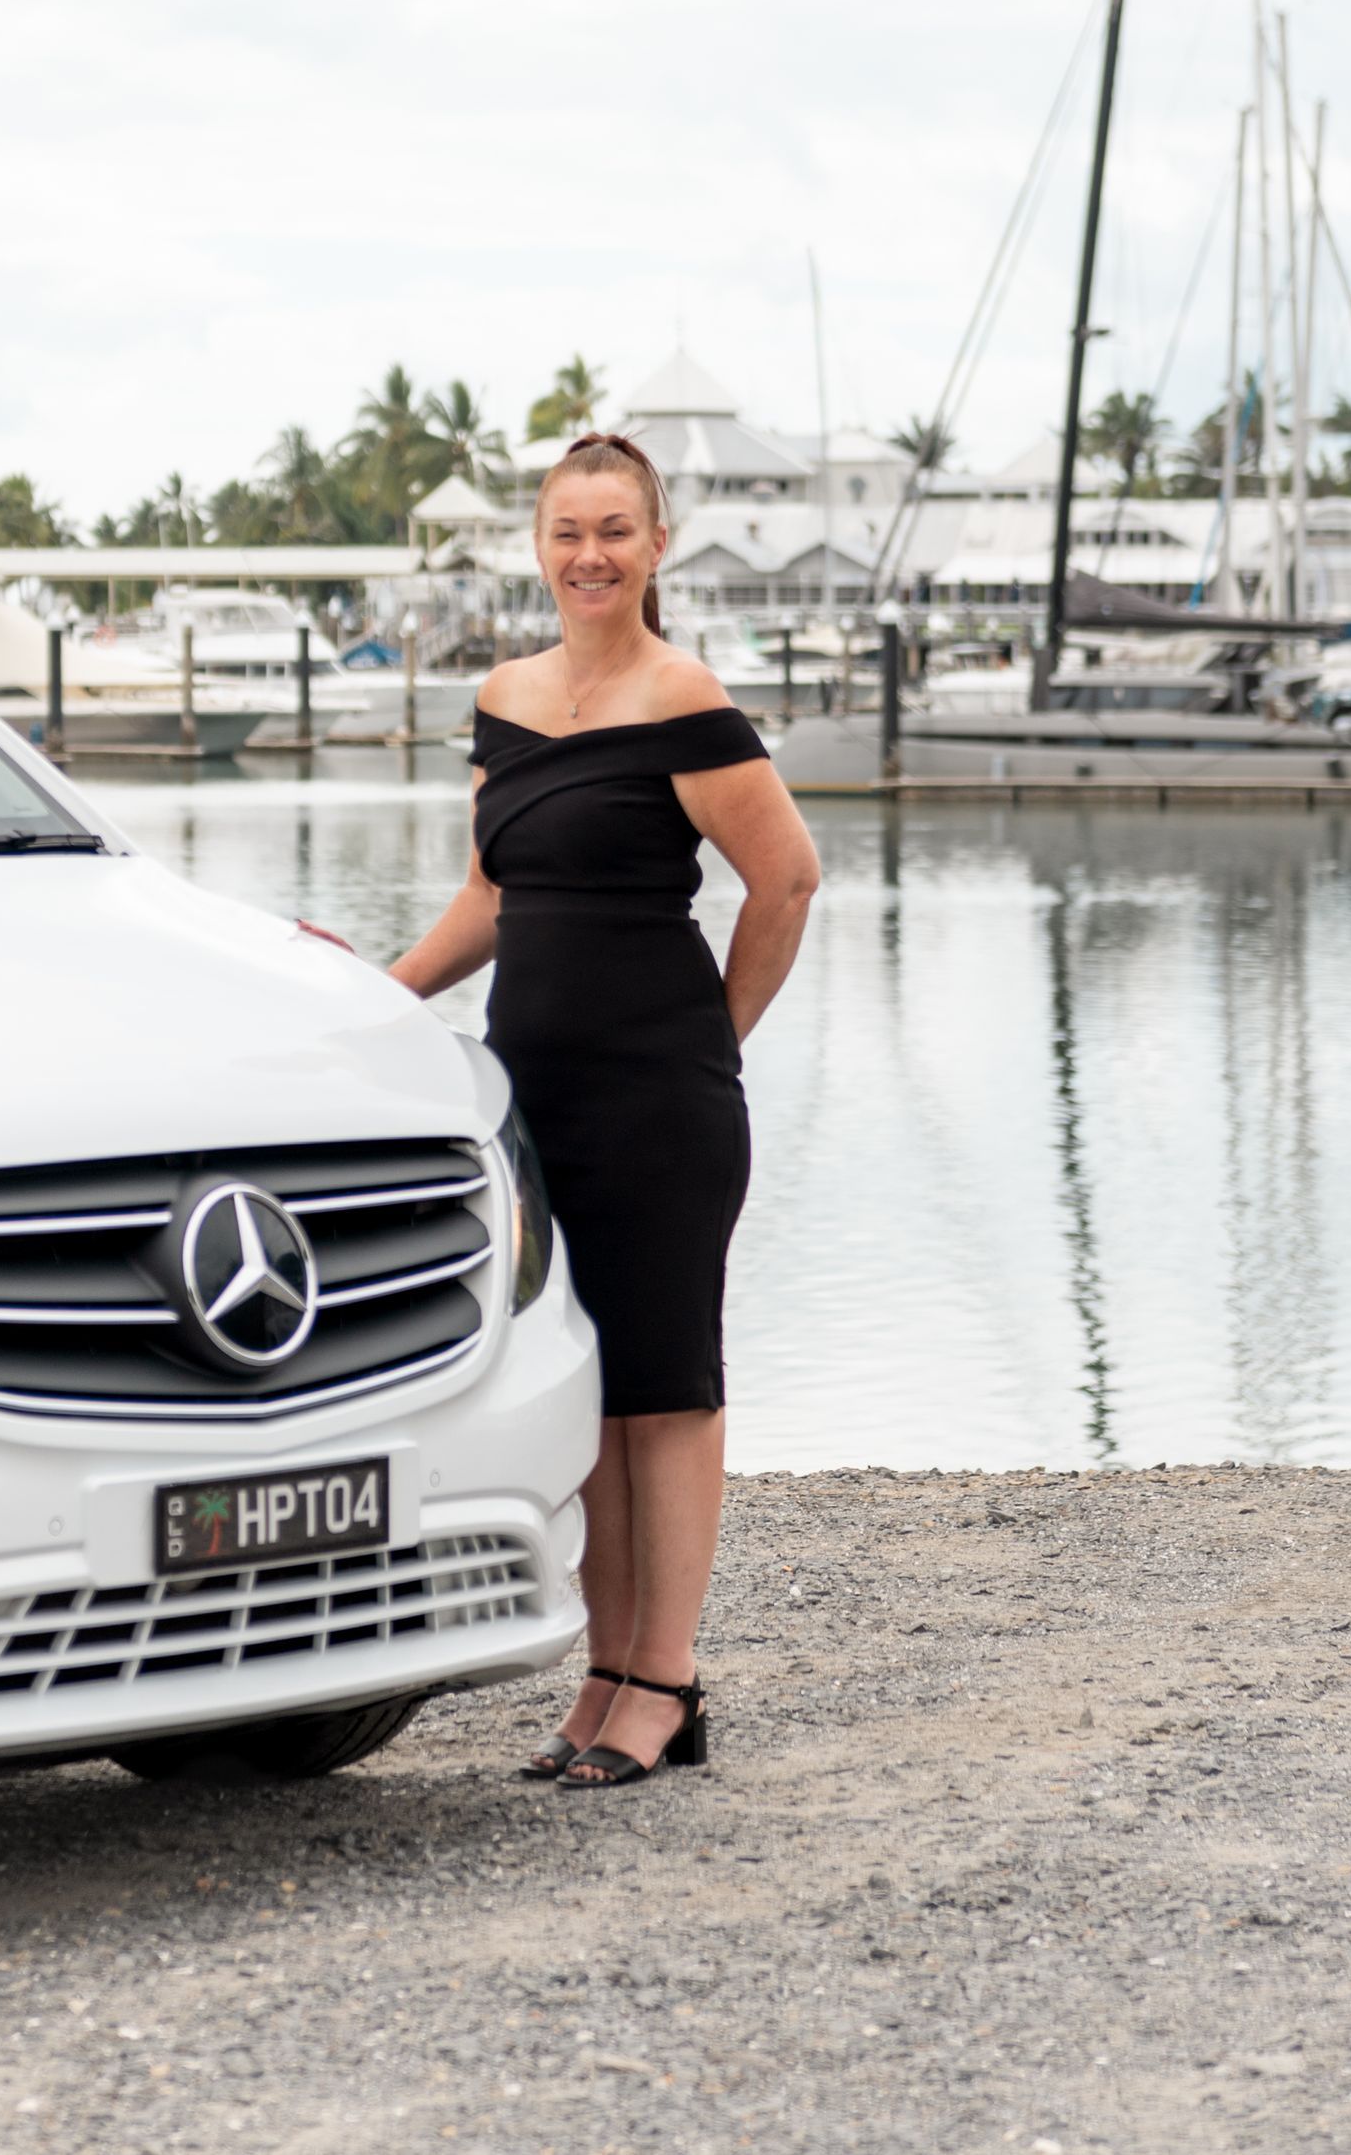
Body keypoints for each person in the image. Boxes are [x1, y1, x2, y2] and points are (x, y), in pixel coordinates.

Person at [389, 433, 820, 1787]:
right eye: (569, 529)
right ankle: (604, 1672)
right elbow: (494, 896)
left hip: (661, 1097)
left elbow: (788, 879)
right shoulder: (507, 699)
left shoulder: (681, 696)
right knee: (588, 1396)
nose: (591, 554)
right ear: (538, 540)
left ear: (657, 543)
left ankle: (668, 1681)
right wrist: (376, 993)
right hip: (539, 1099)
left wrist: (712, 1043)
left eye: (617, 530)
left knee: (665, 1391)